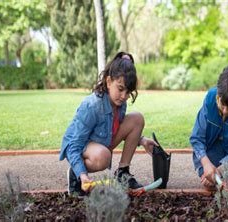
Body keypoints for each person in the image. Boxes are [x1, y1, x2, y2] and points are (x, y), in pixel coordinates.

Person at [60, 52, 158, 196]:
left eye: (128, 92)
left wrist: (141, 140)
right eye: (120, 89)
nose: (124, 96)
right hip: (79, 145)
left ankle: (122, 174)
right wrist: (82, 174)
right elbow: (74, 146)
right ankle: (75, 176)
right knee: (103, 156)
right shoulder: (91, 106)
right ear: (108, 82)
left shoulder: (120, 103)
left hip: (102, 140)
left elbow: (115, 127)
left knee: (137, 118)